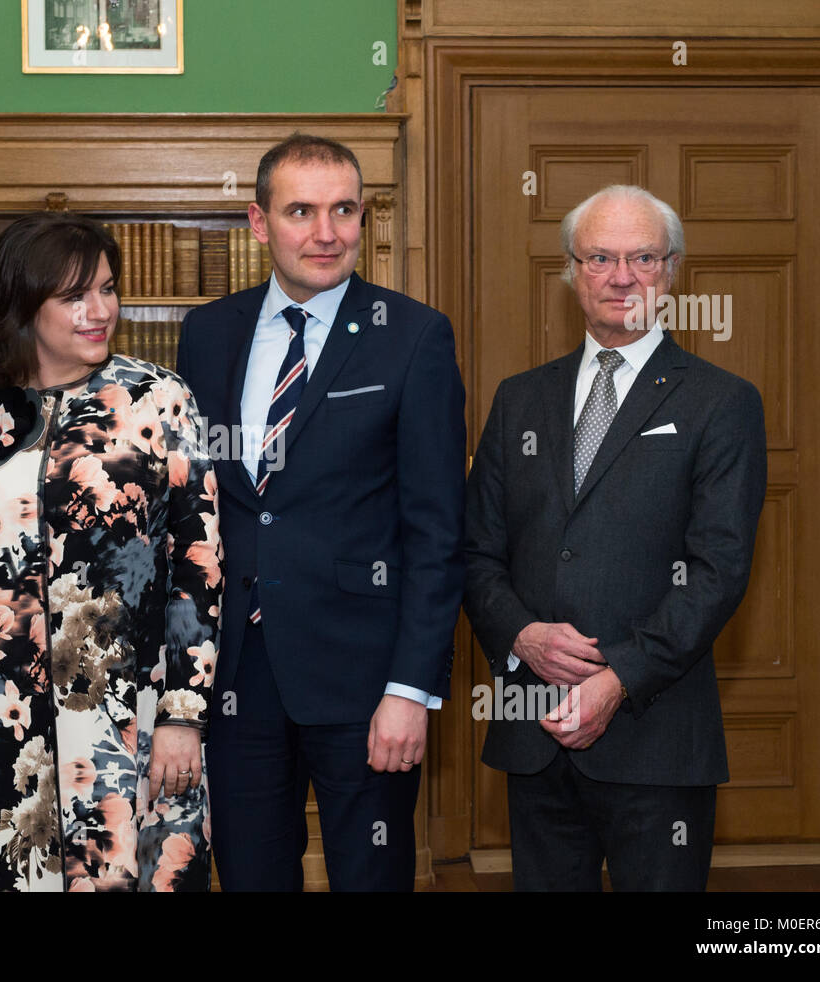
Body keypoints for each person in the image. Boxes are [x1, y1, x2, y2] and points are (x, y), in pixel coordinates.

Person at [176, 134, 466, 891]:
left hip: (364, 681)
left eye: (343, 210)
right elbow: (197, 509)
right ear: (259, 222)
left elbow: (437, 531)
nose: (326, 232)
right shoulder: (206, 335)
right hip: (237, 675)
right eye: (300, 211)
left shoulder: (413, 337)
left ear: (364, 217)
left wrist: (411, 690)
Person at [463, 184, 767, 891]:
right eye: (599, 257)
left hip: (657, 736)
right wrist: (521, 636)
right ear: (572, 270)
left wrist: (618, 678)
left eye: (643, 258)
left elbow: (718, 569)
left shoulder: (721, 402)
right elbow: (478, 552)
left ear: (672, 269)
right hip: (534, 727)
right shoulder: (519, 400)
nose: (621, 276)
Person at [0, 211, 221, 892]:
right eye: (74, 296)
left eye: (108, 289)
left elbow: (197, 570)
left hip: (132, 727)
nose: (99, 310)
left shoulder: (160, 401)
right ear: (21, 307)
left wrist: (183, 714)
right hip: (0, 730)